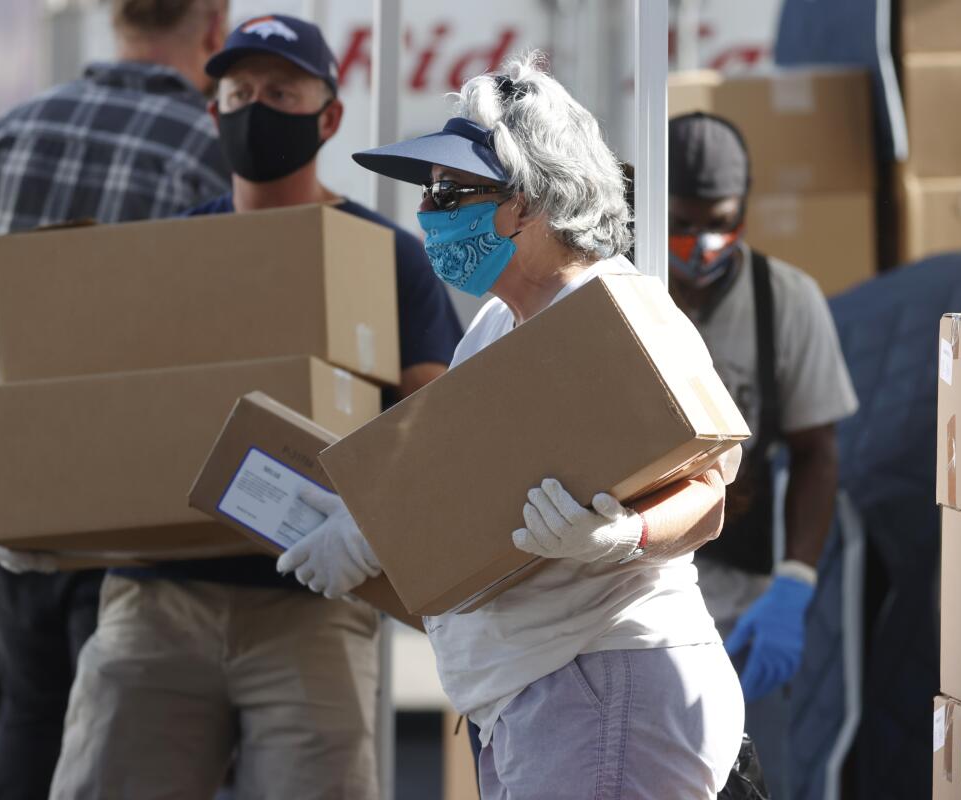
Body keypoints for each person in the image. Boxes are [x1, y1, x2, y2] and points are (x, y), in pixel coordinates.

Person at [279, 52, 746, 799]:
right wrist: (365, 530)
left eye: (451, 191)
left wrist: (625, 535)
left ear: (526, 203)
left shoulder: (616, 313)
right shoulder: (499, 324)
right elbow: (453, 468)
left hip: (605, 681)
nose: (428, 212)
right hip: (543, 694)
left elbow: (710, 489)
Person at [48, 15, 464, 800]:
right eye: (238, 93)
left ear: (329, 116)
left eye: (281, 92)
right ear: (214, 109)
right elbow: (102, 414)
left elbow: (434, 418)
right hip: (159, 602)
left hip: (310, 608)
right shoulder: (168, 253)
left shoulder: (388, 257)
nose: (255, 109)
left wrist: (368, 527)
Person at [0, 2, 229, 796]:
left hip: (2, 495)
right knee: (112, 725)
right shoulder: (205, 152)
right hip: (128, 506)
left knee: (30, 700)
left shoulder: (5, 134)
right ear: (214, 27)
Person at [665, 111, 858, 791]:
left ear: (744, 209)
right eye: (683, 224)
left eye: (719, 221)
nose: (702, 243)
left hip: (743, 611)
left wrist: (794, 584)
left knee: (746, 778)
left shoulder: (787, 302)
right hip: (638, 600)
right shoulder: (624, 298)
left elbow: (817, 451)